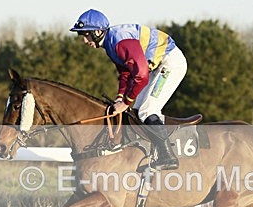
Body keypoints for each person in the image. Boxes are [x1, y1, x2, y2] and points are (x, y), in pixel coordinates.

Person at [69, 9, 187, 170]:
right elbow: (125, 73)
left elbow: (141, 76)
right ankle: (155, 150)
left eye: (86, 34)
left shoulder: (119, 43)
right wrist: (119, 97)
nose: (84, 40)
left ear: (97, 31)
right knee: (137, 110)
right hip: (156, 66)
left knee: (147, 110)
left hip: (170, 64)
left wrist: (125, 102)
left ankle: (169, 157)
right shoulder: (110, 44)